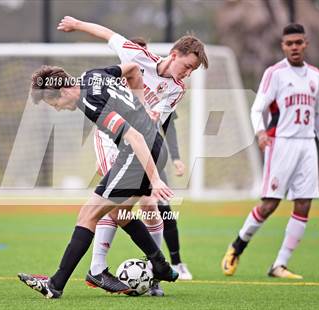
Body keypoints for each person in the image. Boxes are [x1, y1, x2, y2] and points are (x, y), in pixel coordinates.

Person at [57, 16, 208, 294]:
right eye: (187, 66)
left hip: (138, 141)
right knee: (113, 203)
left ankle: (153, 277)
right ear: (175, 54)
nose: (188, 73)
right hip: (110, 137)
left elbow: (155, 120)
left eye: (193, 70)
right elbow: (108, 33)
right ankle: (97, 268)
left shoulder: (176, 89)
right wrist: (76, 24)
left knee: (149, 205)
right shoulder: (138, 55)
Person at [18, 62, 179, 299]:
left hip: (138, 154)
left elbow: (133, 136)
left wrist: (155, 179)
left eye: (54, 104)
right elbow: (133, 69)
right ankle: (161, 266)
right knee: (118, 212)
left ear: (62, 91)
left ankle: (57, 283)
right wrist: (141, 109)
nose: (57, 109)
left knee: (88, 214)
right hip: (154, 146)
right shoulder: (92, 75)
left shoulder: (89, 102)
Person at [221, 23, 319, 279]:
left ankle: (279, 264)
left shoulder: (315, 75)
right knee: (270, 205)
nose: (295, 47)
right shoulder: (274, 73)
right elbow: (257, 108)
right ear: (283, 46)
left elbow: (316, 114)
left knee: (304, 204)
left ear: (306, 43)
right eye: (290, 43)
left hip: (307, 145)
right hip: (281, 143)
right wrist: (261, 133)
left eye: (299, 42)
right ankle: (237, 247)